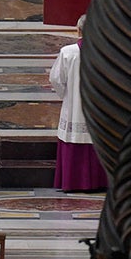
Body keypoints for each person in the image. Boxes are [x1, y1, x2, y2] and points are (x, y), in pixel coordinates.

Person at [49, 14, 107, 191]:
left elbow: (56, 79)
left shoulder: (68, 52)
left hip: (74, 106)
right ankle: (98, 182)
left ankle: (72, 182)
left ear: (78, 30)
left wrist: (66, 95)